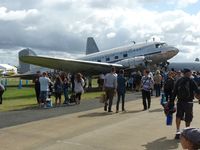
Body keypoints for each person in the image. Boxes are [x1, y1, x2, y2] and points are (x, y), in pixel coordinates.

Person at [170, 68, 199, 139]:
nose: (191, 74)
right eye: (190, 72)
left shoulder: (179, 81)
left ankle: (177, 131)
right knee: (188, 117)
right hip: (189, 102)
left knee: (178, 116)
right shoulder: (191, 81)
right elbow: (197, 91)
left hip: (180, 102)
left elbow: (174, 92)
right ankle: (187, 133)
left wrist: (172, 101)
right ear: (188, 73)